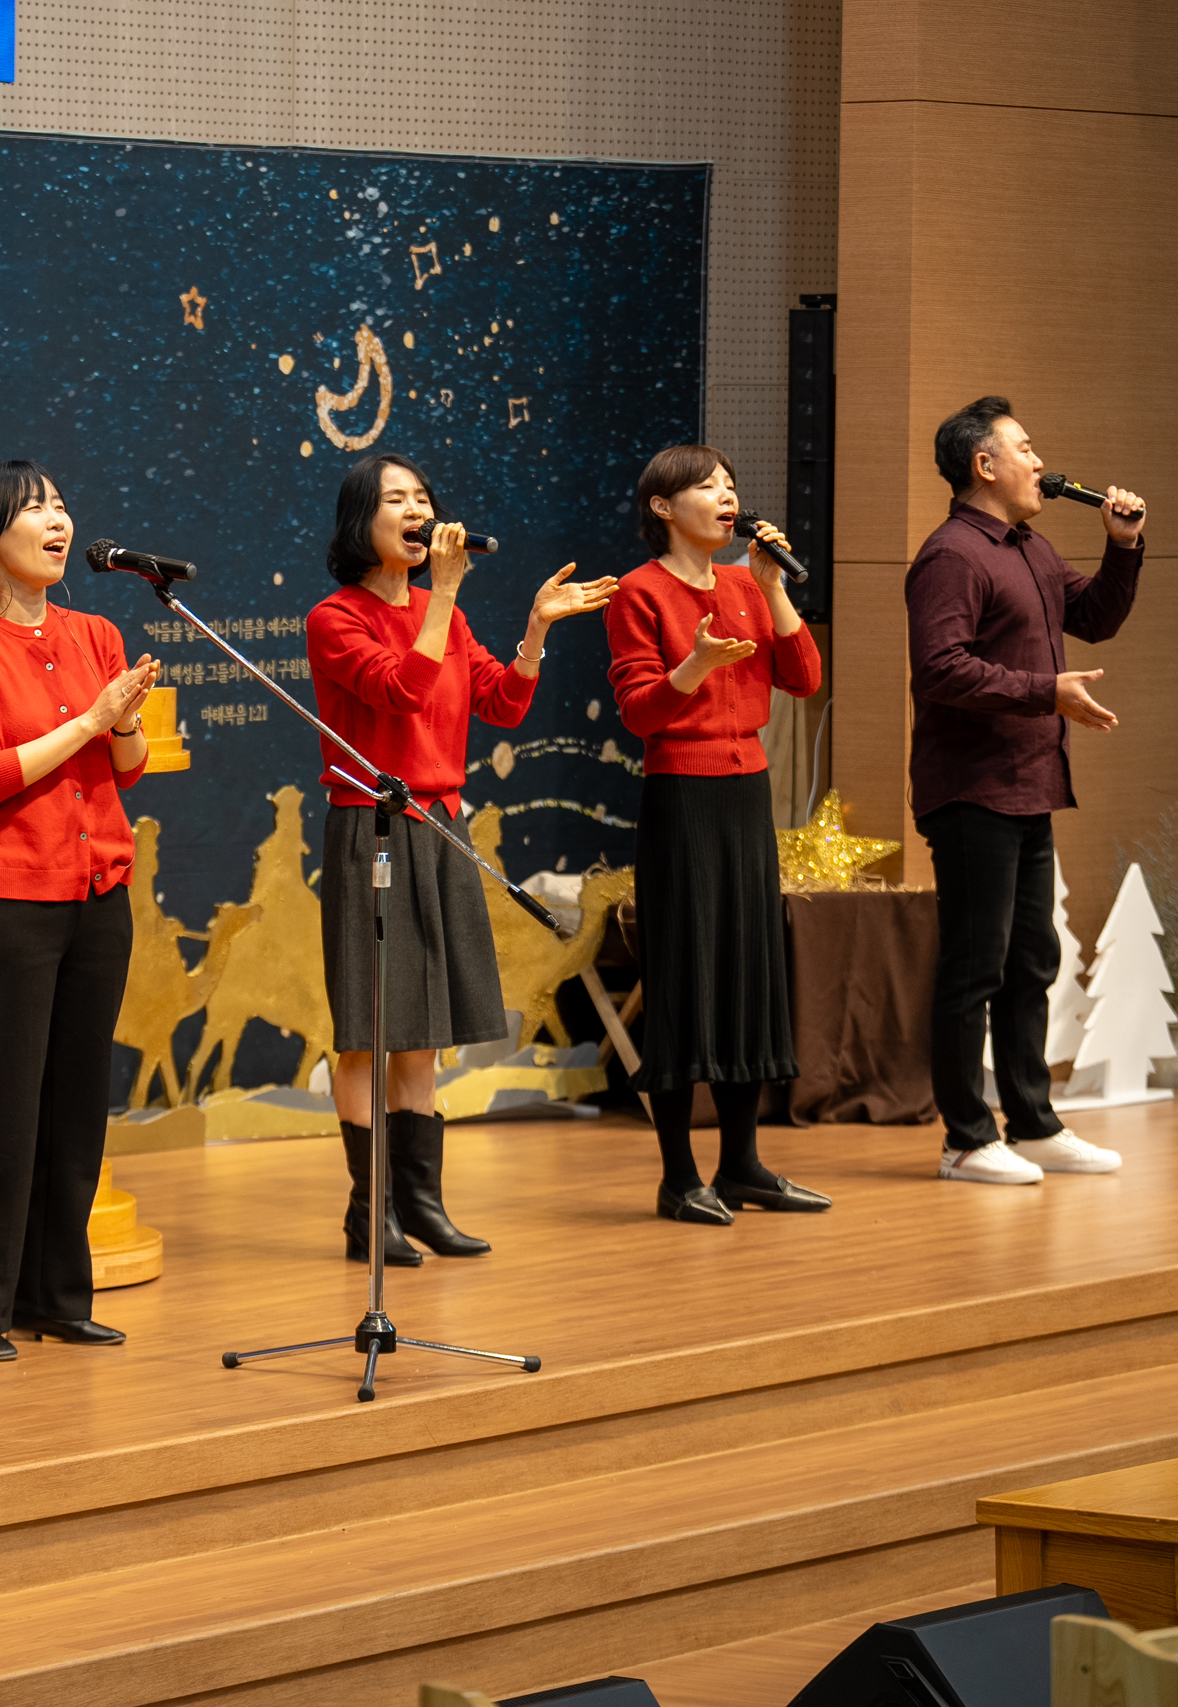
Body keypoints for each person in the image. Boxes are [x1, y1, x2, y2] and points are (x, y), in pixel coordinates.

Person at [305, 454, 615, 1264]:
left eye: (423, 497)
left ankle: (422, 1205)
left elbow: (502, 703)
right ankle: (369, 1212)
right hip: (373, 826)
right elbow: (401, 690)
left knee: (421, 1036)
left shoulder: (447, 614)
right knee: (370, 1031)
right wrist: (441, 595)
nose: (417, 510)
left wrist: (536, 630)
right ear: (361, 520)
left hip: (440, 826)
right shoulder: (335, 618)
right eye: (396, 499)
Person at [0, 461, 159, 1362]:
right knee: (0, 1112)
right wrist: (93, 719)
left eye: (60, 505)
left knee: (76, 1109)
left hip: (98, 896)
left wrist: (122, 720)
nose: (57, 522)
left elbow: (128, 766)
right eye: (34, 509)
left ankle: (57, 1296)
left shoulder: (97, 632)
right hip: (11, 902)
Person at [909, 398, 1145, 1185]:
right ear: (984, 465)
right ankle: (966, 1139)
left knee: (1030, 961)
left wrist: (1122, 545)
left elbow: (1094, 617)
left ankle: (1034, 1124)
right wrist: (1049, 692)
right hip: (971, 787)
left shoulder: (1030, 547)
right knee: (975, 965)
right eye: (1025, 447)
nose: (1040, 462)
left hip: (1030, 782)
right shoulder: (951, 555)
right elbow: (940, 669)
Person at [606, 446, 827, 1225]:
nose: (726, 496)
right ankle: (678, 1176)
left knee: (747, 972)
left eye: (731, 485)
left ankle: (743, 1164)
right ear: (664, 507)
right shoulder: (639, 592)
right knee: (684, 975)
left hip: (747, 793)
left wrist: (773, 587)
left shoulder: (745, 584)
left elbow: (804, 677)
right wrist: (694, 666)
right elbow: (639, 711)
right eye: (707, 486)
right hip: (681, 794)